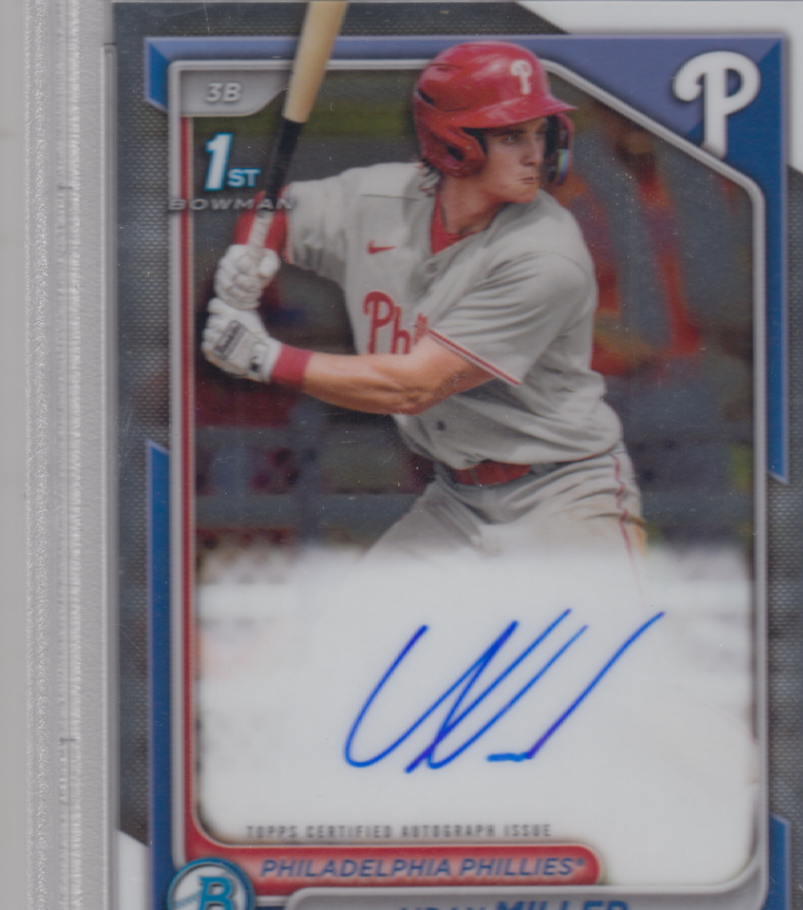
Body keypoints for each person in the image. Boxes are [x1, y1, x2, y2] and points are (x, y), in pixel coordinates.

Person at [202, 41, 644, 563]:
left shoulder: (545, 252)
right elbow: (274, 207)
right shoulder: (381, 199)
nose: (535, 153)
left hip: (562, 496)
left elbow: (414, 387)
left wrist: (262, 356)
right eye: (511, 136)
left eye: (539, 132)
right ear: (454, 143)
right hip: (457, 499)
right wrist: (251, 253)